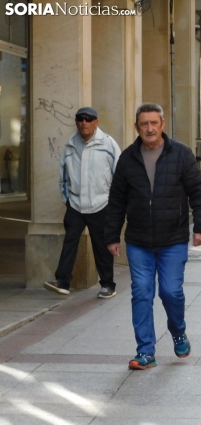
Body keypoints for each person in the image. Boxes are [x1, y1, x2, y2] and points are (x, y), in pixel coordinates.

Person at [105, 103, 201, 371]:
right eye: (144, 124)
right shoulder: (128, 158)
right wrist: (111, 235)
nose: (149, 128)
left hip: (173, 239)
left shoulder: (181, 154)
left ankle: (178, 332)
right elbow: (116, 200)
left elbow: (198, 192)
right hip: (139, 241)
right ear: (137, 127)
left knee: (171, 292)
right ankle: (145, 351)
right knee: (141, 292)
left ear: (162, 125)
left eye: (154, 123)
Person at [44, 106, 121, 299]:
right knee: (70, 241)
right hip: (76, 205)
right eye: (80, 119)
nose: (84, 122)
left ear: (96, 122)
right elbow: (63, 175)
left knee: (102, 245)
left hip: (101, 204)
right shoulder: (70, 144)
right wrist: (67, 200)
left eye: (88, 119)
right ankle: (62, 281)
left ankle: (108, 285)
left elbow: (119, 176)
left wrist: (113, 203)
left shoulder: (108, 144)